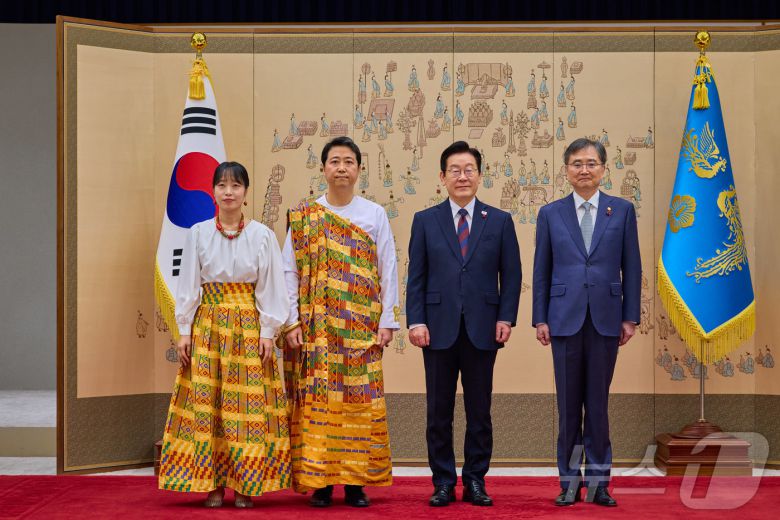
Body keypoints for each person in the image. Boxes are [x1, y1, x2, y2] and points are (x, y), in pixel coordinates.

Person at [158, 162, 291, 508]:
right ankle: (212, 483)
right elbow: (188, 283)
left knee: (247, 406)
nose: (228, 192)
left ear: (245, 193)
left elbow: (272, 285)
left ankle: (246, 483)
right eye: (222, 185)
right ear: (213, 191)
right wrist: (184, 329)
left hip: (249, 327)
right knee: (209, 404)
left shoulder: (262, 235)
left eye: (235, 185)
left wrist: (268, 331)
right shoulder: (198, 233)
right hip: (208, 326)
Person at [282, 137, 400, 508]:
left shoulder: (374, 214)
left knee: (357, 402)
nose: (342, 168)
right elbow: (289, 270)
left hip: (360, 328)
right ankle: (320, 481)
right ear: (323, 169)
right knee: (320, 401)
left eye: (349, 161)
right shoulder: (305, 216)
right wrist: (291, 321)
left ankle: (354, 483)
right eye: (335, 161)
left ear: (359, 169)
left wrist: (387, 320)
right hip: (317, 329)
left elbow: (388, 267)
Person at [407, 141, 522, 507]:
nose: (462, 176)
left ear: (479, 175)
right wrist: (416, 321)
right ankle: (442, 482)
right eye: (454, 170)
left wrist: (505, 317)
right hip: (436, 329)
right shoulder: (425, 221)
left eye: (469, 169)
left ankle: (475, 480)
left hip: (483, 329)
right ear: (442, 177)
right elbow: (416, 277)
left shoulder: (499, 221)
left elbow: (512, 275)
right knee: (438, 413)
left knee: (479, 412)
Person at [532, 138, 641, 507]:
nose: (584, 169)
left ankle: (598, 483)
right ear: (566, 170)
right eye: (576, 163)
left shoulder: (621, 211)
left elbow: (632, 266)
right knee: (567, 408)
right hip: (563, 319)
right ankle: (568, 482)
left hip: (606, 319)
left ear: (603, 169)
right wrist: (540, 318)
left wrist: (630, 316)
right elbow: (542, 270)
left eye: (591, 163)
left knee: (597, 406)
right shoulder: (551, 214)